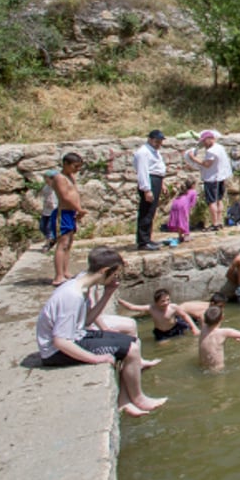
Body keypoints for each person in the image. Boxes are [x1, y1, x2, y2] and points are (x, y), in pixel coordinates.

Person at [35, 247, 166, 417]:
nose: (115, 278)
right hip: (55, 352)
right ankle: (139, 398)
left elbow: (87, 321)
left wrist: (108, 293)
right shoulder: (72, 296)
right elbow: (60, 341)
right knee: (131, 350)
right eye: (114, 274)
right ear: (104, 271)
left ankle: (124, 401)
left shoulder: (81, 285)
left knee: (133, 342)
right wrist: (96, 358)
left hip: (77, 336)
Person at [182, 131, 232, 232]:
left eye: (204, 141)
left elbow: (207, 164)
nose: (204, 144)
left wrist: (193, 158)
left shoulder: (212, 151)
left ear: (210, 139)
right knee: (219, 200)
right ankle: (219, 221)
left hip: (212, 178)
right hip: (220, 177)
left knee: (212, 201)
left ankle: (215, 223)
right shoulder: (219, 147)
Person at [49, 153, 86, 286]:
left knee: (69, 243)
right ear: (66, 164)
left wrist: (78, 210)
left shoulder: (70, 177)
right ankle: (58, 276)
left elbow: (74, 194)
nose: (77, 169)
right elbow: (65, 197)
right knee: (62, 243)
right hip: (63, 213)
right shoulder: (59, 178)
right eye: (75, 166)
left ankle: (65, 271)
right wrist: (79, 209)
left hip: (71, 212)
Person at [117, 288, 201, 341]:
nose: (166, 303)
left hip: (175, 327)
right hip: (161, 332)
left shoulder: (173, 307)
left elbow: (185, 316)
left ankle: (198, 322)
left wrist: (195, 328)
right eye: (163, 301)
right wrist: (119, 301)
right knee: (163, 345)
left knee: (189, 336)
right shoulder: (151, 308)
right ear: (156, 302)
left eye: (168, 300)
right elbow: (133, 307)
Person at [134, 129, 167, 251]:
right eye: (156, 141)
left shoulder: (154, 152)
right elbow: (143, 172)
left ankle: (147, 238)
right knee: (146, 212)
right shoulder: (143, 152)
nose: (159, 144)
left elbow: (157, 168)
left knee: (151, 212)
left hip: (155, 180)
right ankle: (143, 241)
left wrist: (162, 183)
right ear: (150, 139)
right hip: (149, 181)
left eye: (160, 141)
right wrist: (147, 189)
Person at [38, 168, 59, 250]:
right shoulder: (46, 187)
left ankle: (48, 243)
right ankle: (52, 239)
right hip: (46, 210)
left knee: (49, 228)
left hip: (54, 210)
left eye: (48, 179)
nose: (46, 180)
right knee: (42, 227)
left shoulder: (57, 188)